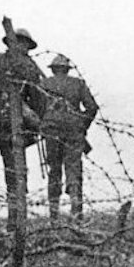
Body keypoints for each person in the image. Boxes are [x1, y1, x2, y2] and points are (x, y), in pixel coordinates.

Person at [0, 28, 44, 234]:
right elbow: (39, 99)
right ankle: (15, 224)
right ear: (25, 45)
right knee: (15, 174)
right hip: (11, 127)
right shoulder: (29, 66)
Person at [39, 54, 98, 220]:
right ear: (66, 69)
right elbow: (92, 108)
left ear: (53, 69)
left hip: (51, 132)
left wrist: (46, 123)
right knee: (74, 171)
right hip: (74, 132)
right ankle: (76, 214)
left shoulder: (44, 84)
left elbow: (38, 109)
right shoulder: (78, 84)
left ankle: (53, 216)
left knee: (54, 171)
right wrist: (81, 126)